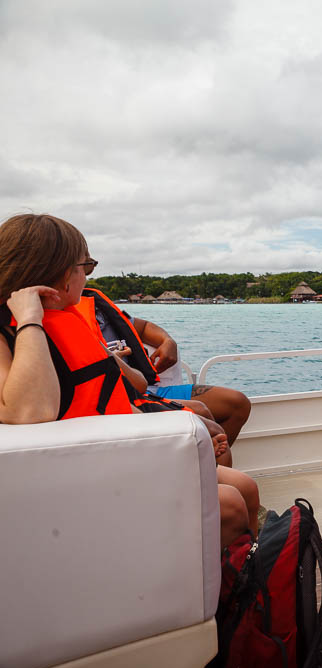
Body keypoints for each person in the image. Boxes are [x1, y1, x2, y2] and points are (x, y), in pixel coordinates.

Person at [0, 214, 259, 548]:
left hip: (112, 453)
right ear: (64, 276)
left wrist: (179, 426)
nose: (87, 277)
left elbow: (115, 399)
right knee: (230, 503)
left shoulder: (70, 323)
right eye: (86, 267)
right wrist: (31, 320)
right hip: (72, 476)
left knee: (245, 487)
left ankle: (244, 582)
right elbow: (29, 412)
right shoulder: (16, 331)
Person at [80, 287, 251, 445]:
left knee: (238, 404)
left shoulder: (99, 309)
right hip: (122, 397)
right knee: (200, 414)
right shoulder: (68, 321)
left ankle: (212, 466)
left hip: (150, 389)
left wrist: (167, 341)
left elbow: (143, 327)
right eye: (85, 265)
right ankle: (210, 468)